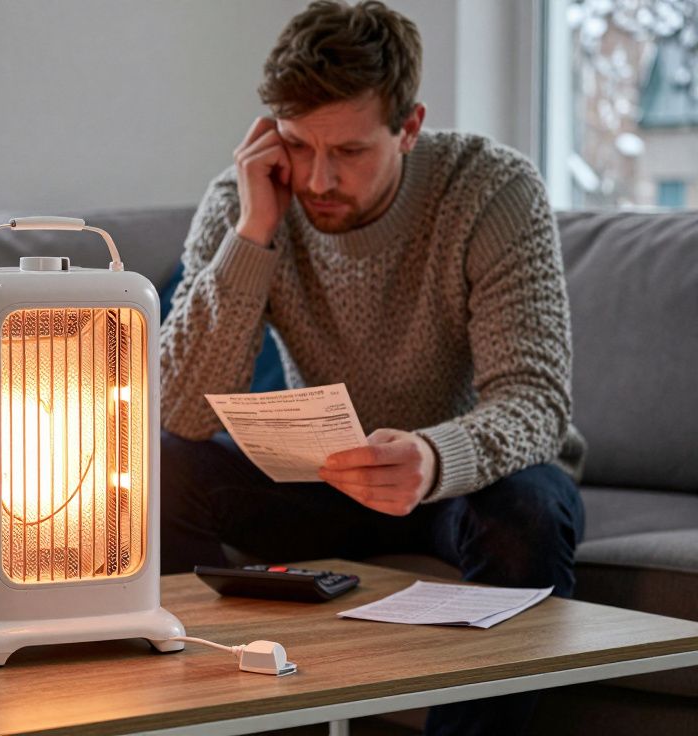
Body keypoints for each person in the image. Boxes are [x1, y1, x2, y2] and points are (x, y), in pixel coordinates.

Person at [159, 2, 585, 733]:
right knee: (157, 468)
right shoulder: (245, 197)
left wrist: (433, 456)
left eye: (351, 151)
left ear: (409, 127)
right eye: (298, 144)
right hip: (323, 479)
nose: (318, 178)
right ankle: (236, 717)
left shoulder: (492, 189)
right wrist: (255, 233)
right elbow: (181, 412)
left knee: (530, 515)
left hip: (464, 482)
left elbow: (536, 399)